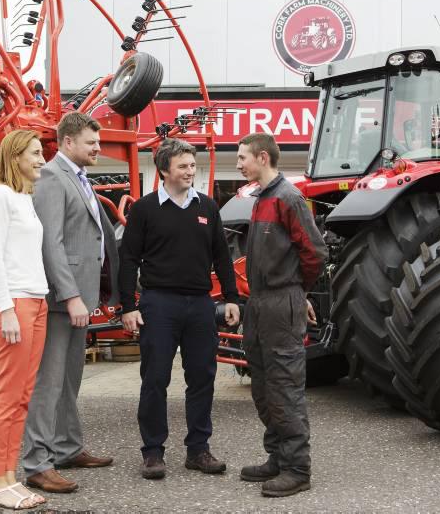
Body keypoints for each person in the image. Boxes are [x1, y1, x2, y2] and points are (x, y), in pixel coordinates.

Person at [118, 138, 240, 480]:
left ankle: (198, 449)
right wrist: (128, 306)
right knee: (155, 379)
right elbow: (128, 260)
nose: (190, 171)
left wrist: (231, 297)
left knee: (202, 377)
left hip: (200, 304)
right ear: (163, 171)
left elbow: (222, 256)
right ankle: (152, 452)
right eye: (183, 166)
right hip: (158, 304)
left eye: (192, 165)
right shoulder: (144, 209)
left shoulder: (207, 207)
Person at [22, 112, 119, 493]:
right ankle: (37, 463)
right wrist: (72, 295)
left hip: (81, 297)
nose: (98, 148)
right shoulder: (51, 177)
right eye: (91, 143)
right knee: (49, 384)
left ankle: (67, 447)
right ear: (67, 142)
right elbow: (51, 242)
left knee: (70, 380)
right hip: (62, 300)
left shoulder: (78, 177)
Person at [235, 132, 328, 497]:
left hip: (279, 302)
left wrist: (295, 292)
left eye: (243, 157)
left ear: (262, 157)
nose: (239, 164)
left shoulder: (289, 198)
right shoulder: (262, 198)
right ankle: (277, 456)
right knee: (262, 386)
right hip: (259, 304)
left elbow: (315, 254)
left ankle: (297, 469)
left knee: (284, 387)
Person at [0, 129, 49, 510]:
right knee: (7, 395)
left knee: (22, 396)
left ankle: (8, 476)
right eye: (35, 153)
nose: (41, 159)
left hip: (36, 300)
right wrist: (5, 309)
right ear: (15, 155)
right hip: (15, 304)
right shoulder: (0, 196)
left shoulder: (25, 197)